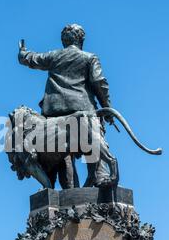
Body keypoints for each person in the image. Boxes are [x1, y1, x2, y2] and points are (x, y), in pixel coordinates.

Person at [18, 24, 115, 187]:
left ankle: (69, 190)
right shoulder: (89, 58)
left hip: (54, 116)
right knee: (94, 142)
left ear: (63, 41)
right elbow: (100, 84)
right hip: (84, 110)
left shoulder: (54, 56)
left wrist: (22, 52)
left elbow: (31, 59)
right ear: (81, 40)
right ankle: (100, 175)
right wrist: (107, 109)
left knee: (62, 156)